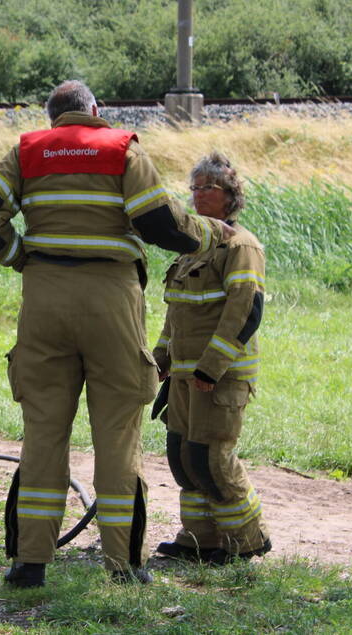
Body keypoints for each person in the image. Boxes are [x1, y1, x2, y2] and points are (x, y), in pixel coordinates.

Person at [0, 80, 235, 588]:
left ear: (53, 118)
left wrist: (18, 256)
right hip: (111, 299)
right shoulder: (121, 149)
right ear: (96, 110)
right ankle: (123, 567)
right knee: (117, 435)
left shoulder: (26, 152)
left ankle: (29, 564)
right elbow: (159, 223)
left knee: (43, 432)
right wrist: (208, 234)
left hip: (44, 300)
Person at [152, 152, 272, 564]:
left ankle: (247, 541)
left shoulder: (241, 246)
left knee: (212, 460)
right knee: (183, 458)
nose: (199, 195)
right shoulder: (193, 249)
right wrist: (161, 358)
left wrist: (211, 367)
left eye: (209, 188)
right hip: (184, 378)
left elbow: (245, 311)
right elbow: (177, 312)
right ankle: (200, 541)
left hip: (218, 378)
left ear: (230, 196)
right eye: (195, 187)